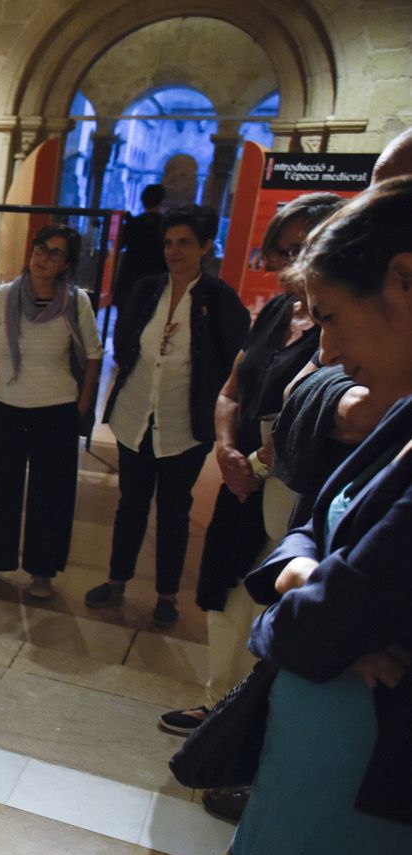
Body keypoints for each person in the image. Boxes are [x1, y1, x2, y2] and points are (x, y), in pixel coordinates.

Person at [197, 175, 412, 855]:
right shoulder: (399, 416)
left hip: (368, 794)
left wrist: (304, 596)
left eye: (328, 316)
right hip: (320, 774)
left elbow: (319, 627)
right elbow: (311, 523)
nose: (322, 347)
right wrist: (304, 572)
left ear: (403, 281)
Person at [155, 193, 343, 735]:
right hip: (241, 479)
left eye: (297, 251)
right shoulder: (281, 311)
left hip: (287, 489)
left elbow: (328, 413)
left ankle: (248, 716)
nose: (285, 265)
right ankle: (217, 704)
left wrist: (256, 465)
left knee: (269, 598)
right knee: (225, 590)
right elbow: (233, 388)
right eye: (278, 253)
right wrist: (224, 449)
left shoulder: (337, 324)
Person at [86, 205, 250, 625]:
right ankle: (117, 580)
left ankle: (167, 595)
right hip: (136, 415)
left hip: (184, 424)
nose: (173, 251)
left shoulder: (220, 299)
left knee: (174, 509)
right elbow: (124, 343)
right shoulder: (146, 289)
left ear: (205, 248)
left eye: (184, 243)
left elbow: (235, 362)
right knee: (131, 504)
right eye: (168, 243)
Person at [0, 223, 101, 598]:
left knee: (51, 493)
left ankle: (42, 570)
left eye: (55, 253)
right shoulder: (4, 297)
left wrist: (83, 403)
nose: (43, 257)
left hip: (57, 407)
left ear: (66, 263)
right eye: (41, 247)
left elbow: (94, 353)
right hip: (8, 404)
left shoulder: (75, 301)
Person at [111, 183, 168, 314]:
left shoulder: (134, 223)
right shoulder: (166, 226)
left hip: (130, 281)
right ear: (161, 201)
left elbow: (119, 245)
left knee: (124, 321)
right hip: (155, 281)